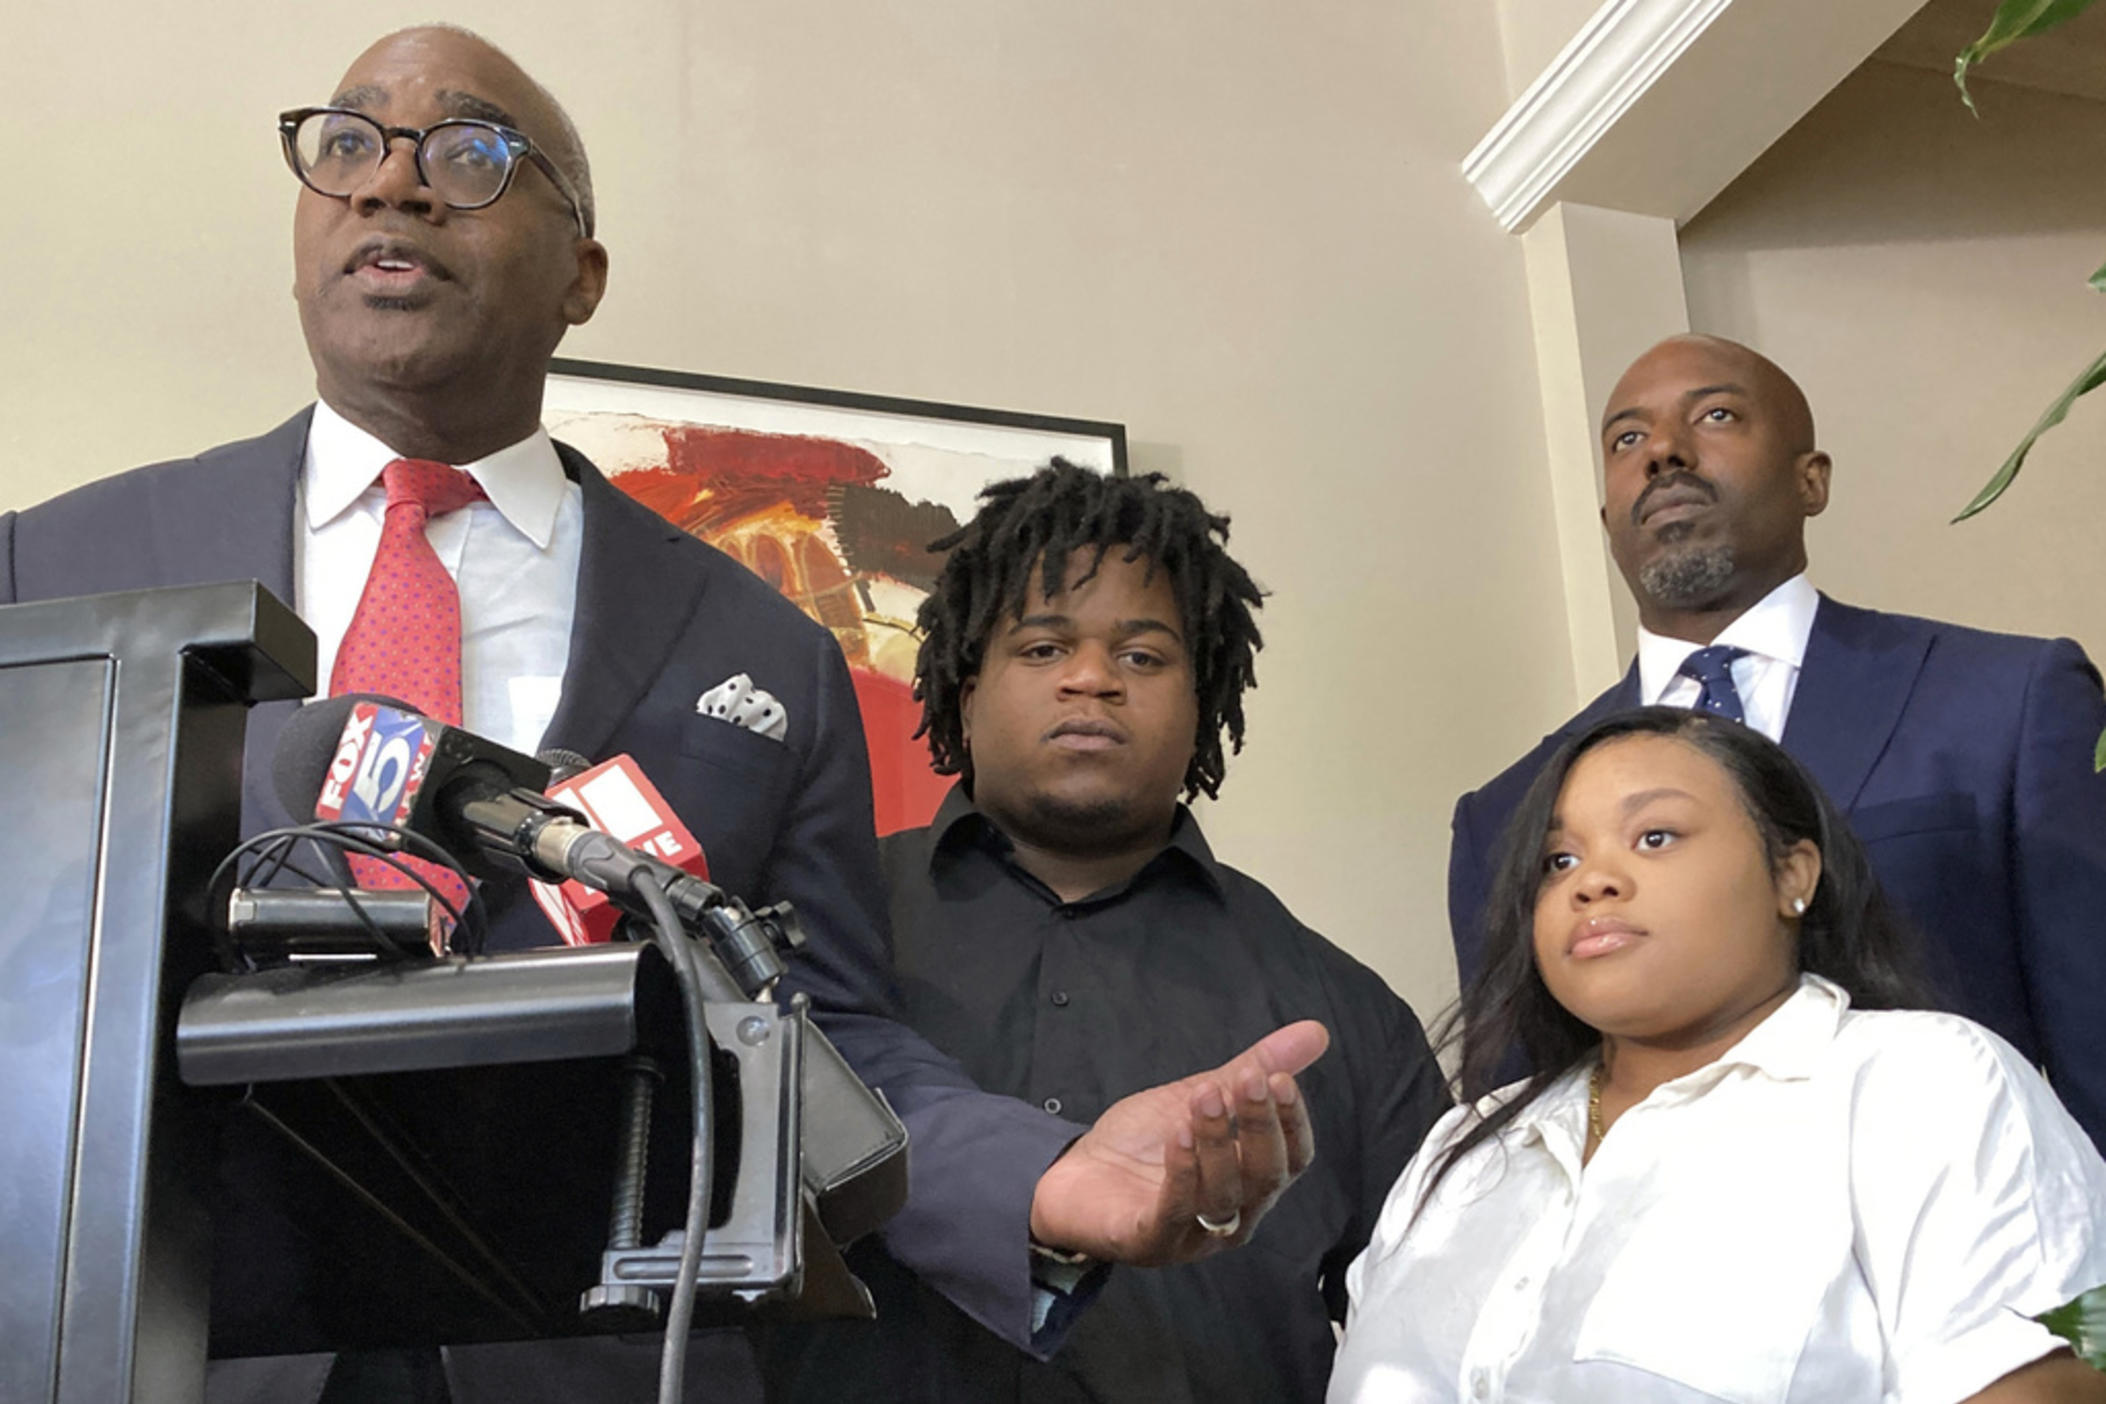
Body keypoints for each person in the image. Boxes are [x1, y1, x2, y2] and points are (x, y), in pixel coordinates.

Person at [0, 27, 1326, 1402]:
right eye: (347, 144)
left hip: (600, 1358)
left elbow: (812, 1030)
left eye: (468, 153)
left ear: (582, 273)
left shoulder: (761, 652)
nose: (389, 185)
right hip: (154, 1349)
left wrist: (1035, 1177)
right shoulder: (57, 570)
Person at [764, 462, 1448, 1402]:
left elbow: (1436, 1335)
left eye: (1143, 657)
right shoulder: (810, 942)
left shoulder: (1344, 1015)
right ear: (966, 693)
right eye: (1043, 649)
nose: (1092, 679)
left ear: (1204, 703)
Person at [1446, 335, 2106, 1146]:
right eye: (1627, 440)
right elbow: (1524, 1129)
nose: (1663, 454)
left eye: (1715, 415)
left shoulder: (2011, 700)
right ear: (1607, 515)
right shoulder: (1507, 815)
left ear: (1811, 480)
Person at [1337, 707, 2106, 1402]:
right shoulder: (1464, 1147)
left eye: (1655, 837)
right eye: (1557, 862)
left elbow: (2058, 1383)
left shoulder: (1932, 1082)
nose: (1593, 881)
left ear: (1792, 874)